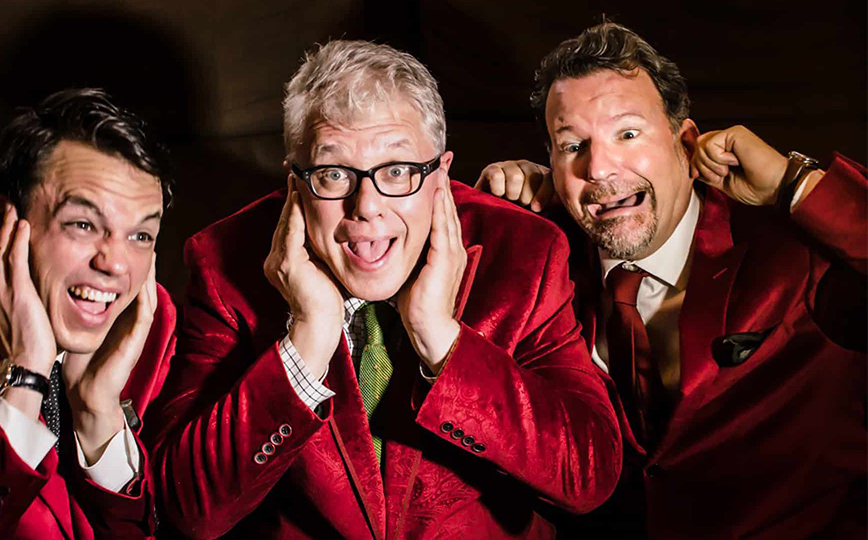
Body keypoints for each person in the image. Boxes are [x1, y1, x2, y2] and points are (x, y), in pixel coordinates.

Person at [146, 40, 621, 540]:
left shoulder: (525, 252)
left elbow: (589, 474)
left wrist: (440, 337)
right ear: (295, 183)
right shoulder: (222, 263)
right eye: (333, 174)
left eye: (397, 171)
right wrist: (306, 340)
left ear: (440, 174)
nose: (366, 206)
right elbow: (185, 506)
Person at [476, 22, 867, 540]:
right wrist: (488, 220)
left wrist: (794, 182)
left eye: (628, 134)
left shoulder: (795, 251)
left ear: (686, 143)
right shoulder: (544, 269)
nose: (599, 167)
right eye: (572, 146)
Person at [0, 88, 178, 539]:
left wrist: (98, 415)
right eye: (83, 225)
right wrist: (27, 373)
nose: (114, 265)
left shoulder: (153, 324)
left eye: (140, 236)